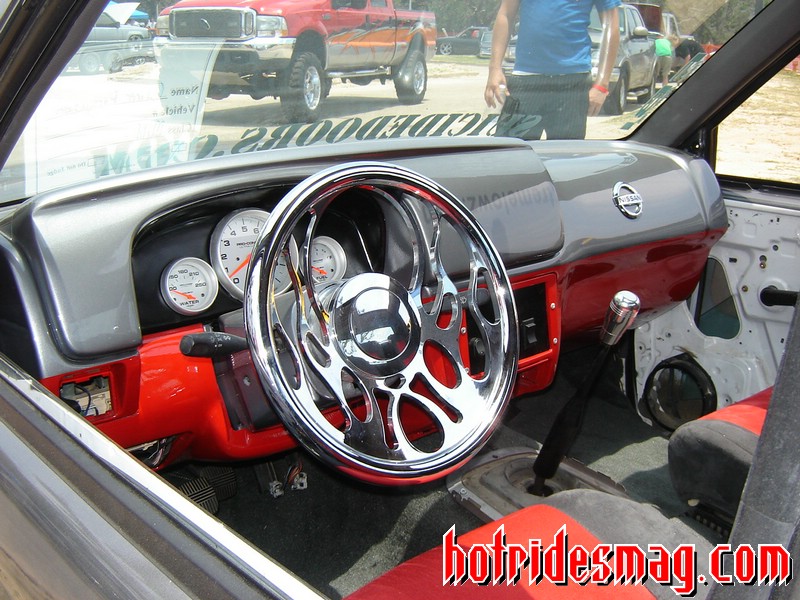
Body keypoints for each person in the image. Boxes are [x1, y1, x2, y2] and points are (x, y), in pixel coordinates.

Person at [485, 0, 620, 140]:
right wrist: (495, 69)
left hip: (572, 83)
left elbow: (611, 26)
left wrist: (602, 85)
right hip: (526, 79)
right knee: (511, 149)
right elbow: (506, 14)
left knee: (564, 151)